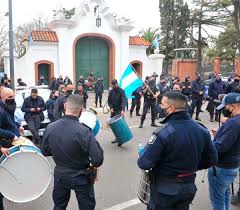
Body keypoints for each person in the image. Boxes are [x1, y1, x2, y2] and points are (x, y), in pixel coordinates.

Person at [138, 91, 217, 210]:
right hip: (188, 187)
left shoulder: (163, 132)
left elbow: (144, 163)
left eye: (162, 105)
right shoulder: (201, 130)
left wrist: (142, 152)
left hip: (164, 190)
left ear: (171, 108)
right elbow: (212, 159)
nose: (160, 107)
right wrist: (191, 167)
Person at [41, 94, 104, 210]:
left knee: (59, 206)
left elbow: (44, 151)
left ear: (65, 106)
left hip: (60, 174)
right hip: (81, 176)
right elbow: (98, 159)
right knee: (86, 207)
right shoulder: (85, 131)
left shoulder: (50, 127)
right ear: (81, 111)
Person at [208, 93, 240, 210]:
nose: (225, 109)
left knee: (217, 201)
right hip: (233, 165)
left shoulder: (233, 123)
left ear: (233, 106)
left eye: (226, 106)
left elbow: (219, 147)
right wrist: (220, 133)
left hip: (222, 167)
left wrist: (206, 145)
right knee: (224, 195)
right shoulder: (234, 122)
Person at [0, 88, 24, 210]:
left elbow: (11, 121)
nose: (12, 98)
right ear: (3, 98)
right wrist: (1, 148)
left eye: (13, 96)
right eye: (10, 97)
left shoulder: (9, 107)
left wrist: (18, 126)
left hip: (8, 144)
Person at [108, 79, 126, 145]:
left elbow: (123, 100)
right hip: (113, 110)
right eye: (113, 85)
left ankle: (121, 139)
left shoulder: (122, 91)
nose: (114, 86)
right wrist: (111, 108)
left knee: (120, 125)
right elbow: (109, 101)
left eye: (115, 85)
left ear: (117, 84)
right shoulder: (111, 92)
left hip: (120, 110)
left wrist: (123, 110)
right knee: (114, 126)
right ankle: (117, 138)